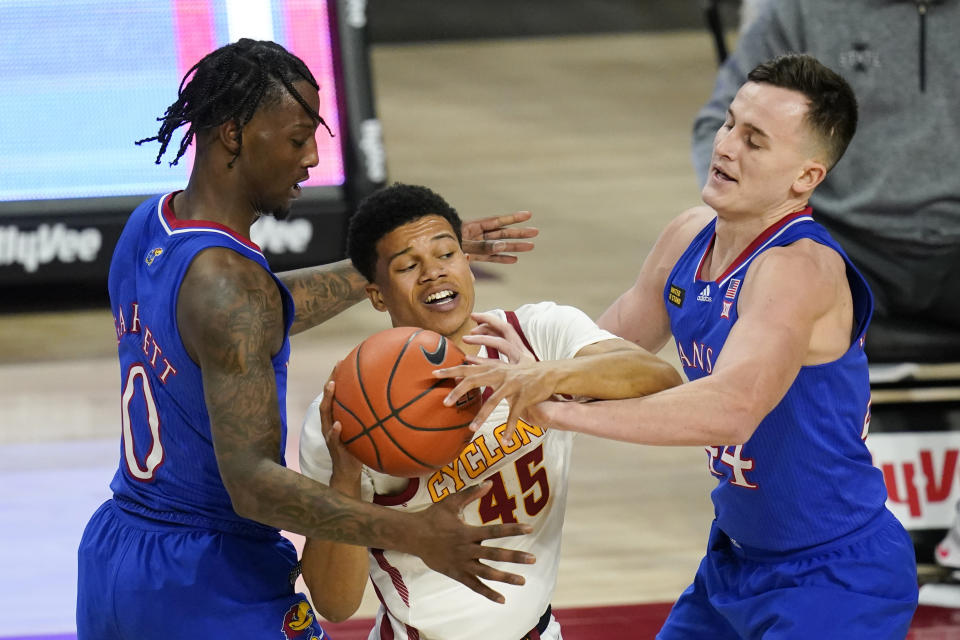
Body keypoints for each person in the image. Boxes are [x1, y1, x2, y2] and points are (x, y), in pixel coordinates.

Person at [76, 39, 544, 639]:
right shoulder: (230, 286)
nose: (312, 158)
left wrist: (394, 260)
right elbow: (252, 486)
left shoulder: (154, 224)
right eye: (297, 139)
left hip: (119, 553)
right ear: (233, 135)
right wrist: (412, 530)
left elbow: (252, 311)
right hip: (207, 576)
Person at [473, 54, 920, 637]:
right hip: (733, 562)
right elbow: (607, 356)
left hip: (833, 576)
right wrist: (535, 368)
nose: (726, 146)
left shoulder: (798, 269)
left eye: (755, 141)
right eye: (730, 123)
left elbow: (730, 410)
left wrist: (554, 406)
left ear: (805, 177)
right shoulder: (688, 235)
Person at [297, 182, 681, 639]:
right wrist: (345, 480)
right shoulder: (345, 410)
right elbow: (335, 605)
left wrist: (543, 378)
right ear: (377, 295)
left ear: (468, 264)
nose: (433, 274)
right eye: (407, 266)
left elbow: (659, 377)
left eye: (446, 254)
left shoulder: (538, 335)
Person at [691, 0, 960, 582]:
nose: (731, 142)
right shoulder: (802, 13)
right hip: (846, 241)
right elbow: (718, 123)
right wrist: (744, 222)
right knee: (786, 283)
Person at [692, 0, 960, 355]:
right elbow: (721, 121)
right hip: (839, 238)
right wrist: (748, 214)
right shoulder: (799, 10)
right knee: (774, 286)